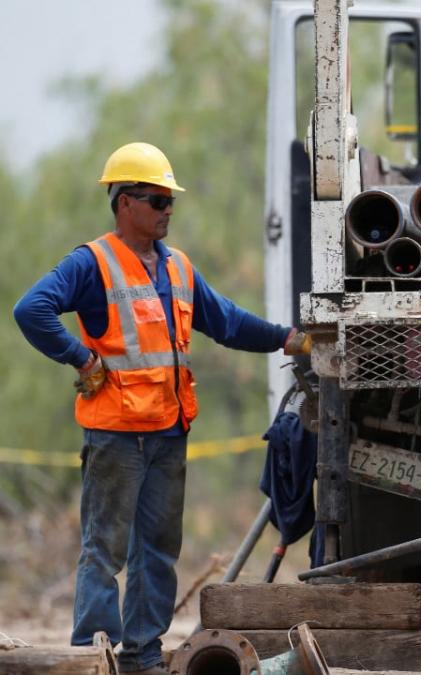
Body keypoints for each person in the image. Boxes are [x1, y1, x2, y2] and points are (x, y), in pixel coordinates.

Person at [13, 142, 311, 675]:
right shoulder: (93, 263)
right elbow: (30, 309)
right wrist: (81, 358)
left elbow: (227, 322)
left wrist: (288, 339)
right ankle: (91, 658)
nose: (167, 208)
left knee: (157, 550)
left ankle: (142, 659)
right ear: (124, 202)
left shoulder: (178, 268)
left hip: (169, 432)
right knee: (104, 552)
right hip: (117, 435)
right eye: (156, 199)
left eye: (170, 199)